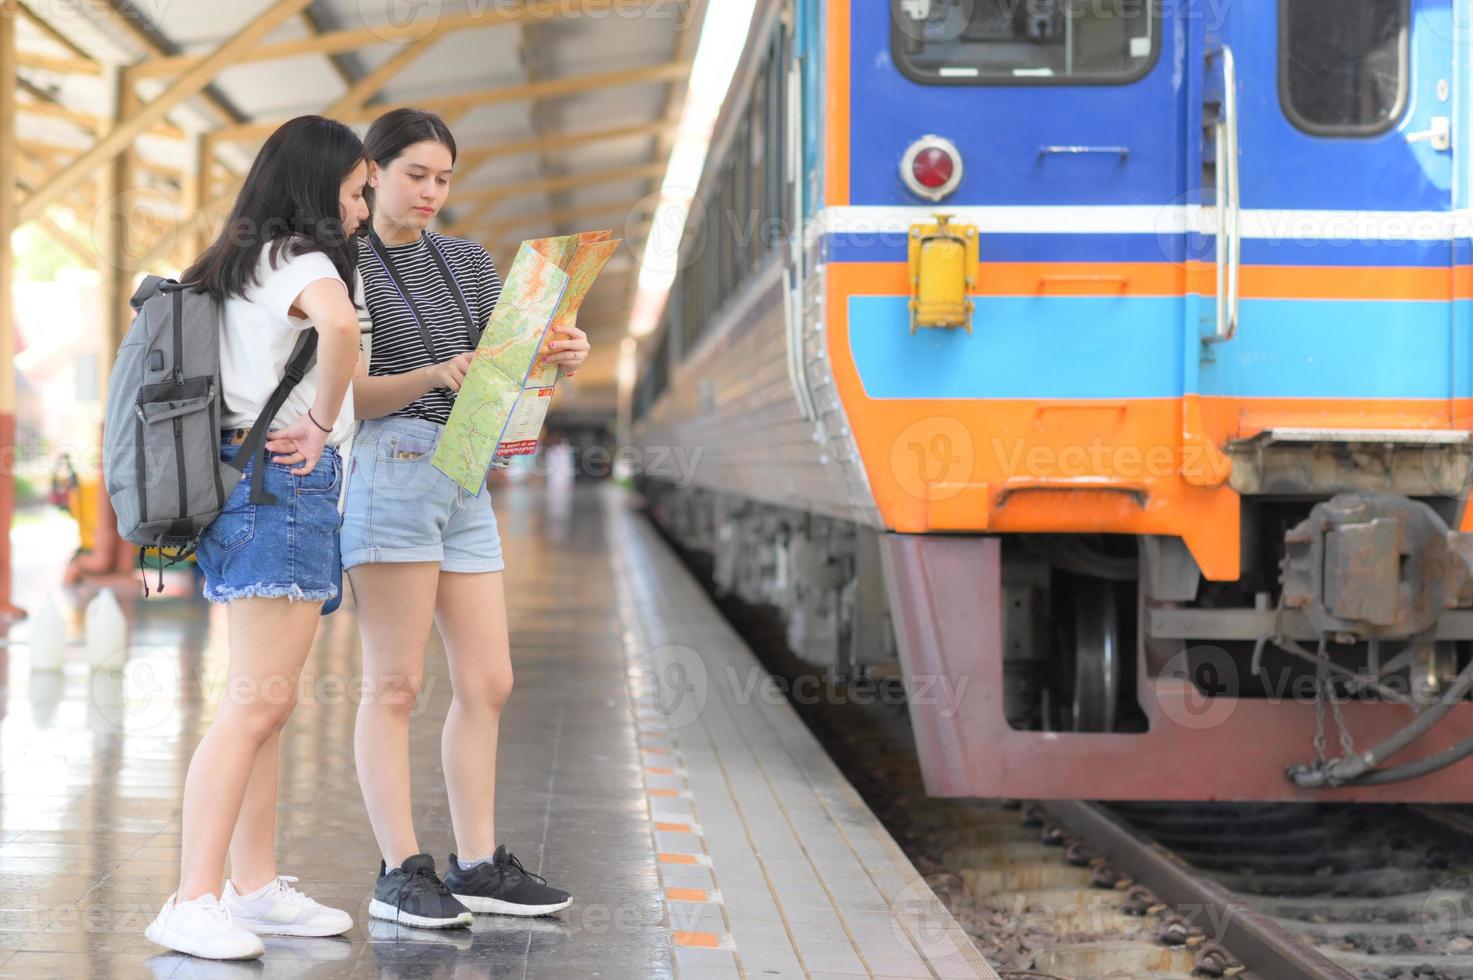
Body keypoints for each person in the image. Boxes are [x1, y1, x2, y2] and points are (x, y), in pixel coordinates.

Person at [342, 107, 589, 928]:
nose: (431, 193)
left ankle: (478, 865)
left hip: (462, 476)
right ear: (371, 170)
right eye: (416, 174)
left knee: (489, 680)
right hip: (390, 468)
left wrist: (554, 357)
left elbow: (504, 375)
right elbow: (344, 399)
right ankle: (398, 871)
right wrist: (433, 373)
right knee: (397, 684)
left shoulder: (471, 263)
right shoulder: (343, 266)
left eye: (443, 179)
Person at [144, 115, 368, 960]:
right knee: (257, 704)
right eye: (354, 192)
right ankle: (191, 897)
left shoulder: (248, 260)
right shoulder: (304, 260)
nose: (361, 210)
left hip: (250, 483)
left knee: (264, 704)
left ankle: (253, 887)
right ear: (318, 189)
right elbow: (341, 334)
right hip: (281, 485)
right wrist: (318, 422)